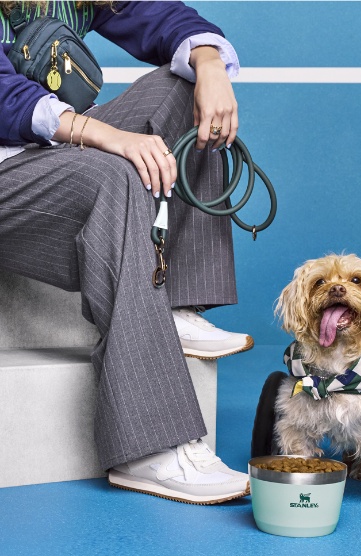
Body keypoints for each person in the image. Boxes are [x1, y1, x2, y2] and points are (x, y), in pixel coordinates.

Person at [0, 0, 253, 504]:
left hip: (43, 148)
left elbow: (157, 14)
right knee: (113, 173)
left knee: (182, 91)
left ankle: (173, 302)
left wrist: (207, 62)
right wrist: (98, 134)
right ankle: (150, 447)